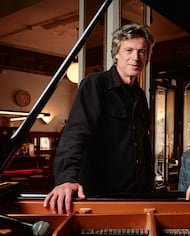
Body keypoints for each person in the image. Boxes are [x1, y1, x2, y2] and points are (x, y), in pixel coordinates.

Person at [43, 23, 155, 214]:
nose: (136, 58)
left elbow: (143, 145)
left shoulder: (140, 96)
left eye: (142, 52)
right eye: (129, 50)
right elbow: (75, 134)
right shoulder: (95, 84)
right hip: (100, 197)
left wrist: (148, 185)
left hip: (136, 196)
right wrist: (67, 178)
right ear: (116, 54)